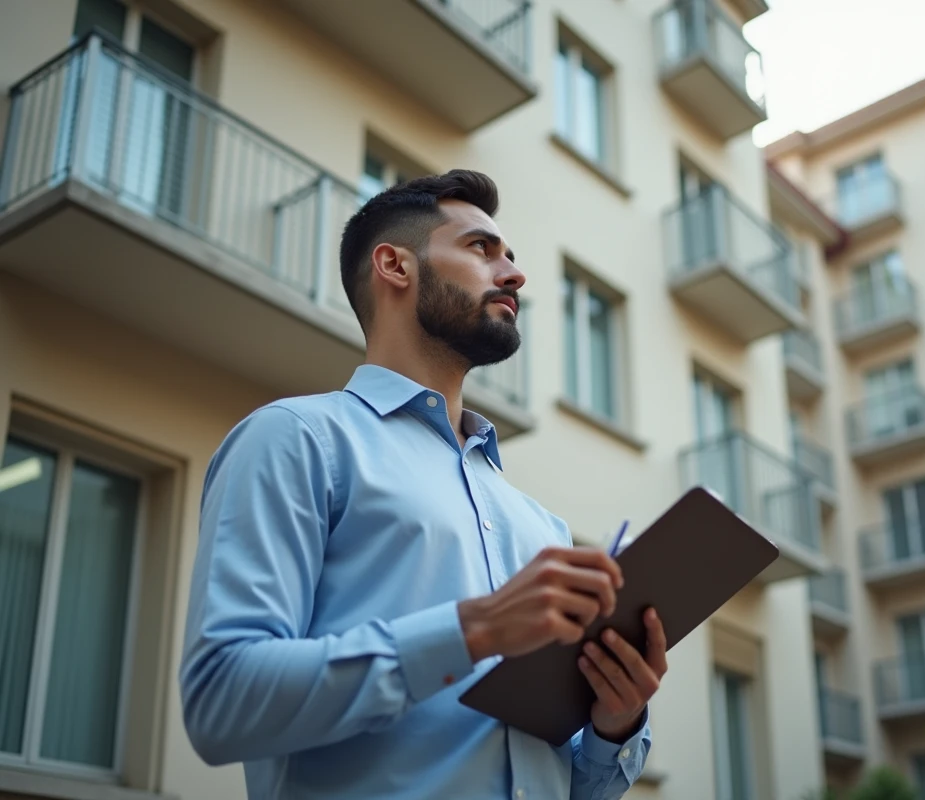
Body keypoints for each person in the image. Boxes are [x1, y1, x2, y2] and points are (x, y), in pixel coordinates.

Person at [179, 170, 667, 799]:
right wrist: (475, 630)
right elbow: (221, 701)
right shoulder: (296, 439)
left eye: (511, 257)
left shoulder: (540, 525)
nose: (515, 275)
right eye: (482, 249)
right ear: (395, 266)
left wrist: (614, 723)